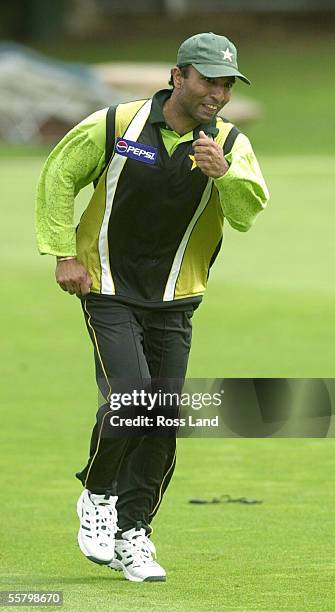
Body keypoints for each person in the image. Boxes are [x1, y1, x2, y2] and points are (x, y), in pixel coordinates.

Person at [35, 31, 269, 583]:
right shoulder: (118, 126)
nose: (217, 92)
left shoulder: (229, 144)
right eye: (207, 79)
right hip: (109, 285)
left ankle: (132, 534)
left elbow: (246, 212)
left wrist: (224, 173)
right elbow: (59, 174)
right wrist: (63, 253)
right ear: (177, 76)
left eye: (227, 83)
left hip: (175, 298)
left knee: (162, 421)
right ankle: (97, 495)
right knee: (133, 397)